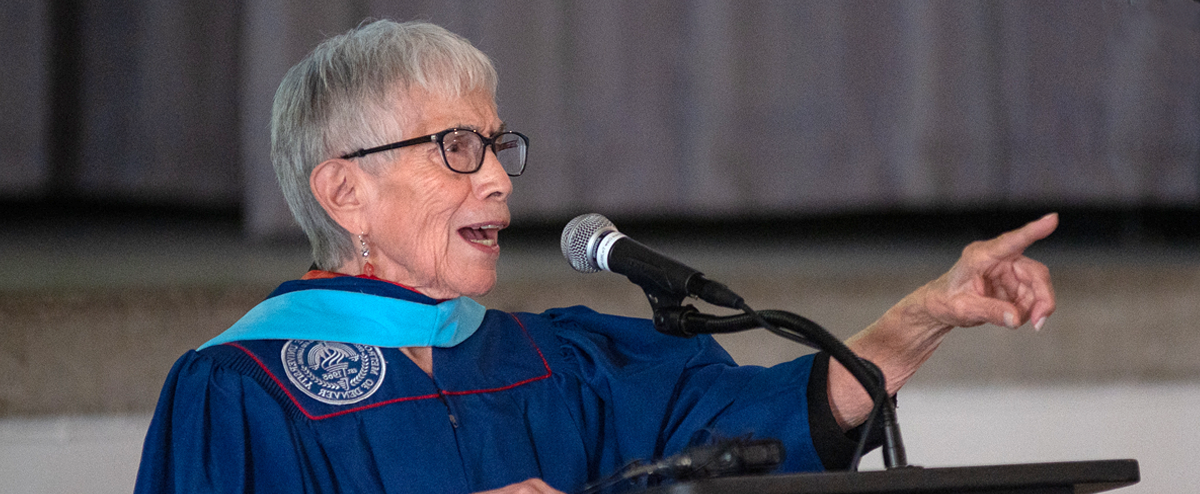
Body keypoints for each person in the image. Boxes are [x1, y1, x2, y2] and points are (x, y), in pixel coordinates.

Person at [134, 19, 1057, 494]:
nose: (498, 180)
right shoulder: (243, 392)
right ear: (345, 192)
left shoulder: (563, 365)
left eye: (499, 146)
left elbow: (763, 430)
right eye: (457, 147)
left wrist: (924, 316)